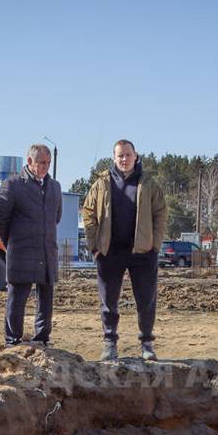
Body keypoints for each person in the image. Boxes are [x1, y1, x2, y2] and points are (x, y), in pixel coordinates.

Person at [81, 139, 167, 360]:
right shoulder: (101, 183)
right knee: (108, 300)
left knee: (146, 299)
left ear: (135, 156)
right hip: (110, 252)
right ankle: (110, 343)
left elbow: (161, 214)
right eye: (120, 155)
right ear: (114, 158)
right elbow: (88, 213)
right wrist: (94, 246)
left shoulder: (148, 184)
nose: (124, 159)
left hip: (142, 252)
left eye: (128, 155)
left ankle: (147, 344)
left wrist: (154, 246)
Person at [0, 144, 63, 347]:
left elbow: (55, 217)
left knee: (46, 297)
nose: (45, 167)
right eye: (41, 163)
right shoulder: (13, 185)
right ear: (30, 161)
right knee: (17, 298)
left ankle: (42, 337)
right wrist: (12, 242)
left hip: (46, 250)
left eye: (48, 163)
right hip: (21, 252)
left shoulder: (54, 187)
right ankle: (13, 340)